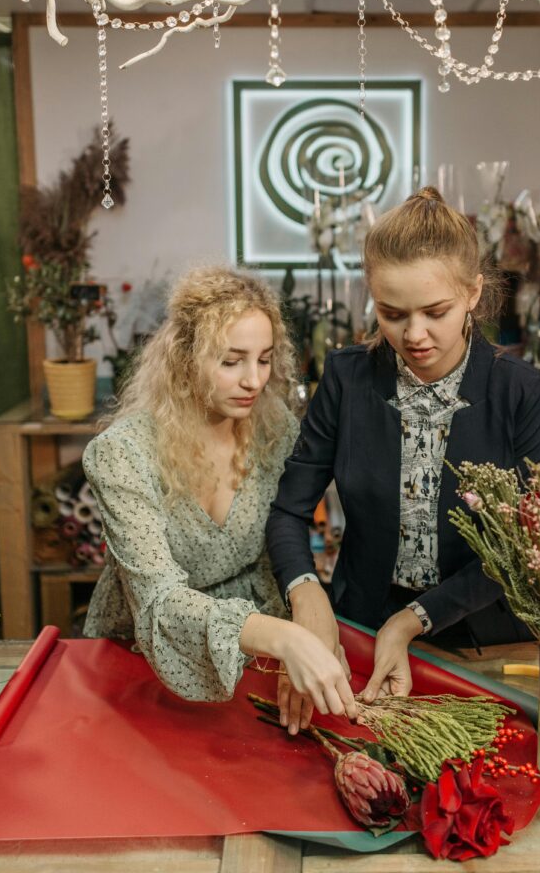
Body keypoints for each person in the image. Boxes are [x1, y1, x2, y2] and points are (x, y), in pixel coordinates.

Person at [266, 187, 540, 730]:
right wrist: (307, 596)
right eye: (392, 314)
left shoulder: (519, 391)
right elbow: (288, 512)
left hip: (482, 638)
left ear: (472, 293)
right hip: (359, 628)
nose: (414, 335)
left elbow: (519, 548)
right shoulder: (348, 379)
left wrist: (412, 621)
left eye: (435, 312)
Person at [83, 265, 356, 725]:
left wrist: (302, 623)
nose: (254, 380)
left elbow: (279, 549)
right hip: (142, 658)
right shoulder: (121, 454)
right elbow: (158, 599)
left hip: (255, 655)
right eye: (232, 361)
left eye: (265, 359)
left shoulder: (276, 433)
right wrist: (284, 639)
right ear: (184, 359)